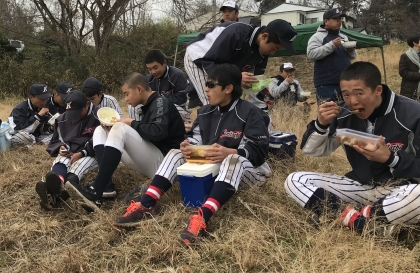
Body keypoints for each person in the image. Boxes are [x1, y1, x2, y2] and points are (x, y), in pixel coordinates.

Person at [284, 62, 420, 233]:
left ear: (377, 90)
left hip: (403, 189)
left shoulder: (414, 113)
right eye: (346, 94)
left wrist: (392, 159)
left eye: (359, 93)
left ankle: (347, 215)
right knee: (295, 180)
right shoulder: (343, 114)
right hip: (361, 186)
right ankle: (365, 221)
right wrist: (321, 124)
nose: (352, 101)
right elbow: (311, 150)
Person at [113, 64, 272, 246]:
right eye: (206, 84)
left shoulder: (250, 112)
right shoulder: (205, 112)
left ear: (228, 88)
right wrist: (188, 146)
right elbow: (196, 138)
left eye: (211, 85)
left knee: (233, 159)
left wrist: (232, 151)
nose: (206, 89)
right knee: (175, 152)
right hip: (214, 170)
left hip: (249, 173)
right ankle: (146, 205)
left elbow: (260, 152)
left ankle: (202, 216)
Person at [66, 73, 186, 210]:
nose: (126, 99)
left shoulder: (160, 102)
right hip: (152, 159)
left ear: (139, 89)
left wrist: (131, 123)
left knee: (121, 127)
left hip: (165, 166)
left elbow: (158, 132)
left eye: (127, 94)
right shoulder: (149, 104)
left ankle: (96, 189)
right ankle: (105, 187)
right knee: (101, 130)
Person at [184, 19, 298, 106]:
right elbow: (208, 61)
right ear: (264, 36)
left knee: (230, 103)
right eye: (274, 48)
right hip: (198, 58)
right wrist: (237, 77)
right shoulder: (237, 32)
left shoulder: (263, 52)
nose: (273, 52)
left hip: (220, 66)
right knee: (212, 102)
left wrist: (262, 113)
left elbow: (255, 86)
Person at [36, 90, 102, 210]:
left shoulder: (99, 116)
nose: (74, 116)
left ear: (87, 104)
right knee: (62, 160)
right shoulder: (62, 119)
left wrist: (82, 153)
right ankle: (58, 181)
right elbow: (56, 140)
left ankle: (60, 191)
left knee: (78, 165)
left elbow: (101, 141)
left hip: (90, 153)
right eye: (71, 113)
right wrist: (60, 147)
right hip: (70, 151)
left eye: (77, 112)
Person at [307, 8, 357, 102]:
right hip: (326, 84)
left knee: (346, 110)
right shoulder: (317, 37)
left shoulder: (343, 37)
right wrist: (332, 45)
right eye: (335, 19)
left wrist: (351, 51)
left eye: (340, 19)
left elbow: (353, 56)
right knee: (329, 111)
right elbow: (311, 54)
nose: (339, 21)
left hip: (345, 83)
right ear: (326, 21)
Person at [128, 49, 190, 121]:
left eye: (155, 68)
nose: (153, 72)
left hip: (180, 109)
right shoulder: (149, 79)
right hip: (156, 107)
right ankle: (138, 127)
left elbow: (182, 99)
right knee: (133, 106)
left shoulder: (177, 75)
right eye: (149, 69)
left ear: (164, 63)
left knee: (161, 105)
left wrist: (159, 99)